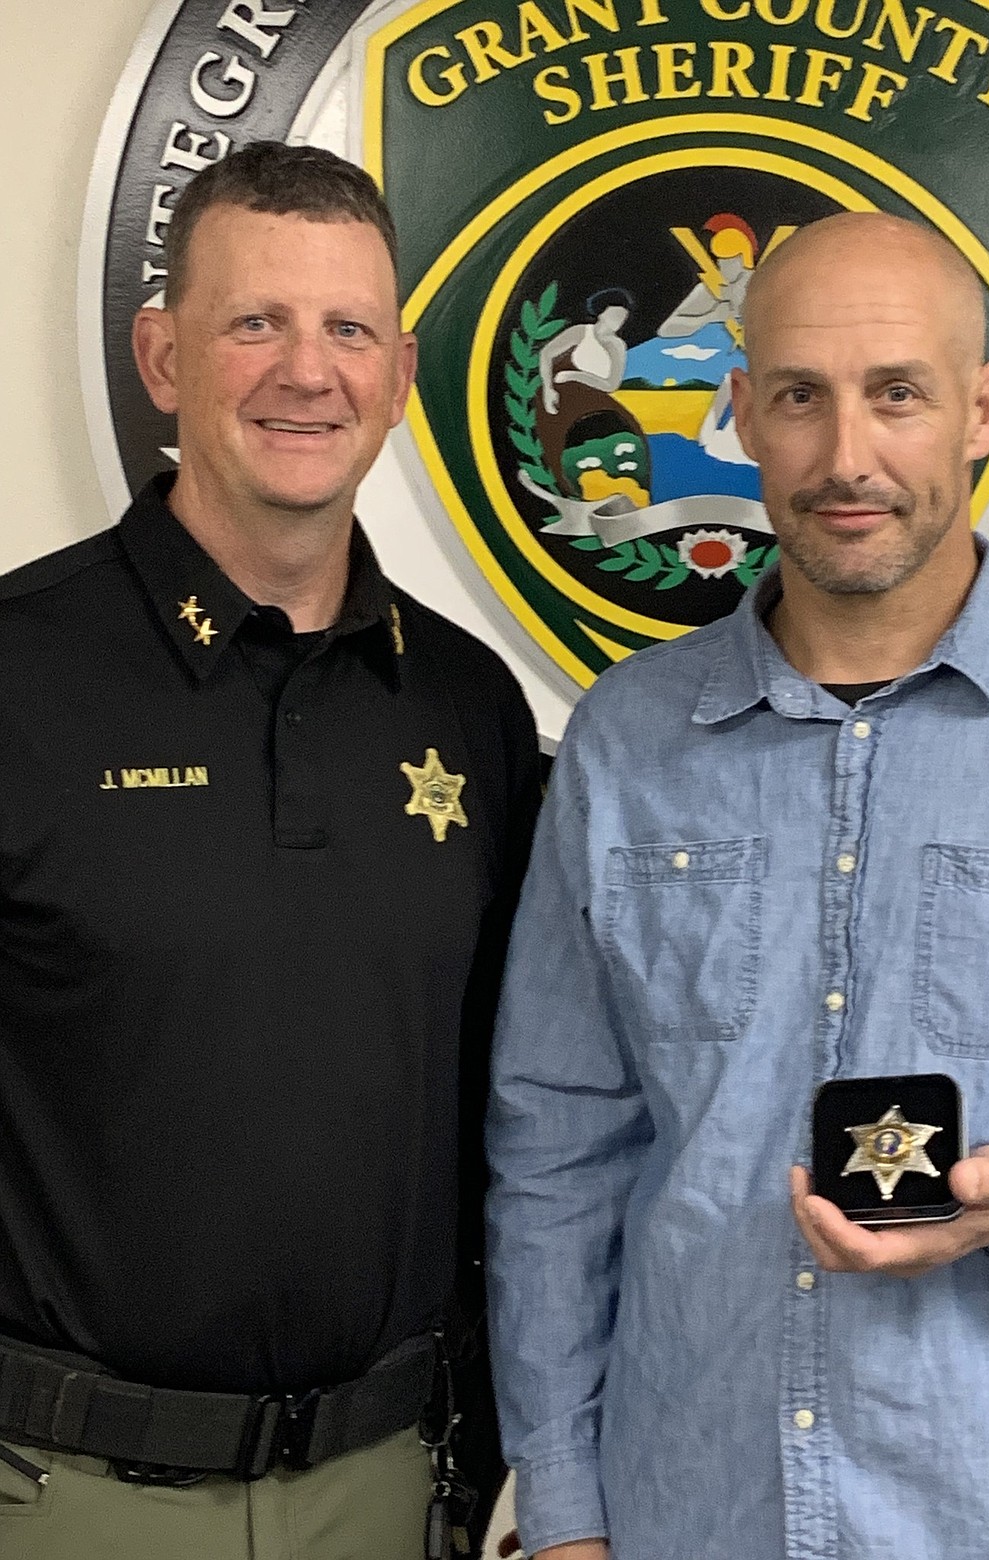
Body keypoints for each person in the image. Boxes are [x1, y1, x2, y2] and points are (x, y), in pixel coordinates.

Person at [484, 211, 989, 1559]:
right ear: (738, 413)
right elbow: (556, 1150)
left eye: (894, 395)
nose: (846, 456)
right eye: (799, 396)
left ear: (979, 407)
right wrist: (562, 1515)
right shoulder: (626, 740)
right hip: (698, 1512)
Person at [0, 140, 540, 1560]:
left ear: (400, 376)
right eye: (256, 322)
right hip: (62, 1498)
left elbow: (522, 1111)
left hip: (390, 1491)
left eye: (347, 328)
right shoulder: (15, 676)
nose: (308, 371)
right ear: (162, 355)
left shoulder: (470, 710)